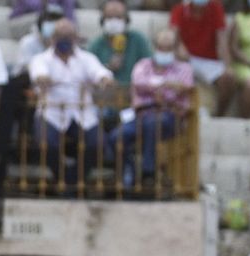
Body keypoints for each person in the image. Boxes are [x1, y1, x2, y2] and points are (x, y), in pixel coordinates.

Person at [27, 19, 114, 183]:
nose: (64, 40)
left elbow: (99, 72)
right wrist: (43, 79)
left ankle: (73, 180)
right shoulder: (41, 59)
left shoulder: (87, 58)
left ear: (76, 38)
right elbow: (39, 74)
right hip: (51, 113)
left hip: (82, 113)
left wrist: (104, 79)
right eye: (60, 36)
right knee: (46, 145)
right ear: (52, 38)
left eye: (68, 36)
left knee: (98, 144)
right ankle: (63, 179)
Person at [118, 30, 193, 183]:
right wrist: (166, 85)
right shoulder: (143, 65)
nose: (164, 52)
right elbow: (139, 83)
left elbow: (185, 88)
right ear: (154, 47)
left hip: (171, 116)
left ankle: (148, 174)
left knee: (153, 123)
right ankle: (130, 174)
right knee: (117, 136)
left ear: (176, 48)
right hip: (142, 114)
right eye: (160, 47)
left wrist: (156, 89)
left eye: (168, 48)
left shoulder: (185, 68)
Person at [169, 0, 233, 116]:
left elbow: (222, 41)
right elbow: (173, 38)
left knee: (229, 77)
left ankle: (218, 115)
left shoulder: (216, 8)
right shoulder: (179, 10)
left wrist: (227, 66)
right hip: (187, 59)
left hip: (210, 61)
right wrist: (179, 48)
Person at [88, 0, 151, 89]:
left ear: (126, 19)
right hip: (105, 94)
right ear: (102, 20)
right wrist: (108, 67)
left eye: (118, 17)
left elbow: (151, 67)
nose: (114, 21)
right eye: (109, 17)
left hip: (134, 92)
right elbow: (87, 73)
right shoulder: (96, 44)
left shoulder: (138, 40)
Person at [13, 2, 65, 78]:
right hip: (27, 79)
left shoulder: (65, 43)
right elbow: (29, 68)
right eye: (49, 21)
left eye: (56, 21)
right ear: (41, 23)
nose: (53, 25)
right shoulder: (27, 42)